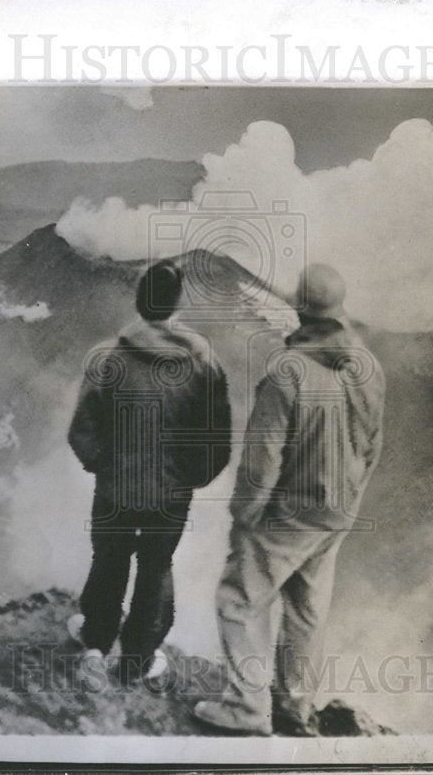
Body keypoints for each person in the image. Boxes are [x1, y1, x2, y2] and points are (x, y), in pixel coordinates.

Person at [193, 264, 386, 736]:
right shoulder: (368, 366)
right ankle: (294, 709)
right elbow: (373, 445)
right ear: (341, 308)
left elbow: (262, 460)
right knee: (306, 608)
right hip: (337, 511)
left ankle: (246, 709)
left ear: (299, 309)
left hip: (290, 512)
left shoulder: (287, 372)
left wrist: (244, 514)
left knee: (239, 599)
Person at [67, 260, 232, 683]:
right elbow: (216, 440)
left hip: (115, 488)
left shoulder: (109, 357)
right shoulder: (202, 363)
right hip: (170, 495)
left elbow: (82, 430)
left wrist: (102, 464)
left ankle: (95, 645)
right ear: (176, 305)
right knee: (156, 566)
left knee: (109, 559)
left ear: (139, 302)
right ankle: (137, 660)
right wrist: (189, 479)